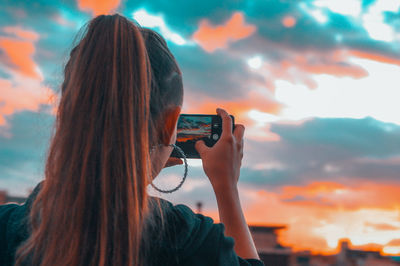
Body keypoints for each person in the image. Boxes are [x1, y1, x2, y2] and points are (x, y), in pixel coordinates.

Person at [0, 14, 264, 266]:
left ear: (66, 113)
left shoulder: (6, 228)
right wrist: (226, 186)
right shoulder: (191, 241)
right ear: (170, 124)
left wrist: (138, 169)